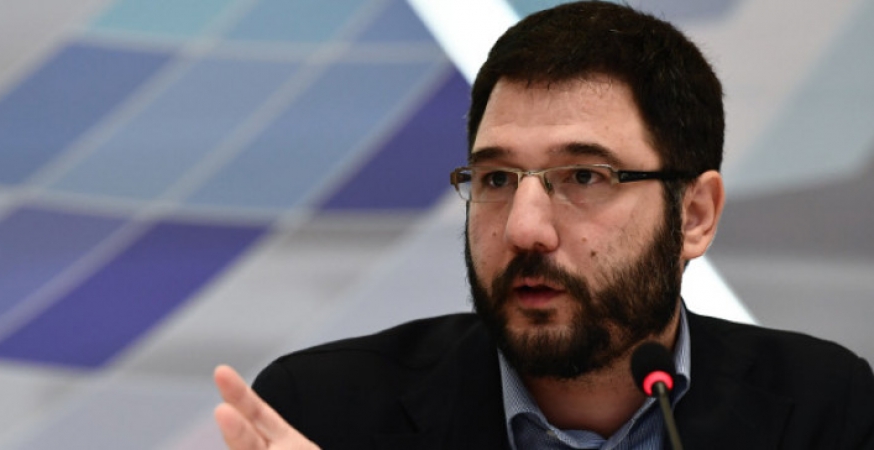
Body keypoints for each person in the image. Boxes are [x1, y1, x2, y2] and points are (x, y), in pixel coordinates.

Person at [213, 2, 874, 449]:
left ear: (694, 215)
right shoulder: (326, 412)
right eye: (497, 180)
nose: (525, 230)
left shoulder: (824, 410)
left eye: (584, 176)